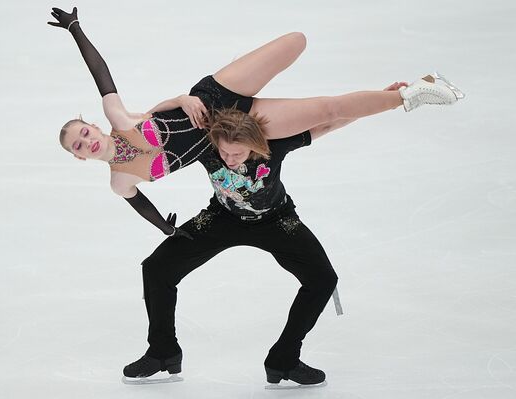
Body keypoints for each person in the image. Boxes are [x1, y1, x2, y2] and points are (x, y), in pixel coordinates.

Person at [48, 7, 465, 240]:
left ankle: (391, 96)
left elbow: (99, 70)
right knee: (327, 110)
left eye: (83, 132)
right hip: (233, 129)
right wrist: (167, 231)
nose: (85, 141)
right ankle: (410, 95)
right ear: (80, 158)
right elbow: (141, 205)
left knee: (296, 41)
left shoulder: (119, 118)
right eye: (77, 147)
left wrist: (75, 29)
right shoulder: (120, 181)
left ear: (93, 127)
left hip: (214, 94)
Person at [120, 81, 425, 386]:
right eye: (225, 153)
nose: (229, 159)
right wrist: (181, 99)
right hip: (221, 217)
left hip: (276, 221)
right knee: (157, 267)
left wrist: (385, 98)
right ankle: (162, 352)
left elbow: (330, 121)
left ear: (255, 144)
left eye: (237, 154)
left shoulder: (276, 144)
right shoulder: (206, 145)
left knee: (323, 279)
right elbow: (150, 119)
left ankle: (284, 358)